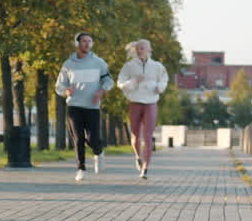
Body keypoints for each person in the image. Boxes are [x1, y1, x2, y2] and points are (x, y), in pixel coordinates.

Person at [55, 31, 113, 181]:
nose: (87, 44)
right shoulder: (68, 65)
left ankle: (98, 152)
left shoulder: (99, 62)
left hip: (92, 106)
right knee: (78, 138)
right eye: (84, 41)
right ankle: (81, 168)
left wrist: (101, 91)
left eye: (89, 41)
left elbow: (109, 81)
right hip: (74, 106)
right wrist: (66, 90)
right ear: (77, 43)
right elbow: (59, 86)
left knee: (93, 139)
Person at [117, 39, 169, 179]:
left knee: (147, 136)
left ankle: (145, 167)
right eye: (138, 48)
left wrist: (160, 87)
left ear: (149, 50)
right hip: (135, 101)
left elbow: (164, 78)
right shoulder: (129, 66)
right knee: (135, 136)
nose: (140, 50)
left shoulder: (157, 66)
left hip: (151, 101)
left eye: (143, 48)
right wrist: (134, 81)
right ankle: (137, 156)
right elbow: (120, 83)